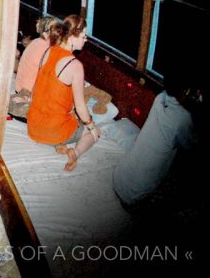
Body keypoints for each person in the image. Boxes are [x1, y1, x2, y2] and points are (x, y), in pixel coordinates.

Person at [113, 65, 201, 210]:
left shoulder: (160, 98)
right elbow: (191, 144)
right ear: (186, 91)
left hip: (119, 178)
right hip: (133, 195)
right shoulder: (183, 119)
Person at [27, 15, 98, 171]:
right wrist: (92, 126)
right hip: (52, 130)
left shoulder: (48, 51)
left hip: (33, 126)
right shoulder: (75, 65)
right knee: (92, 132)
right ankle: (75, 152)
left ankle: (59, 143)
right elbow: (80, 109)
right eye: (84, 36)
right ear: (72, 36)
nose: (85, 40)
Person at [15, 16, 59, 93]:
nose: (58, 32)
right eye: (54, 30)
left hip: (19, 86)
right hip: (28, 92)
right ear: (45, 33)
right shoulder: (46, 48)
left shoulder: (36, 41)